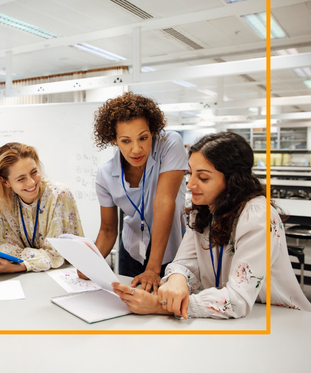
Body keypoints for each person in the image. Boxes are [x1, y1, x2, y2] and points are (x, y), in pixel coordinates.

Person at [112, 132, 311, 319]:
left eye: (203, 177)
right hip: (224, 319)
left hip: (277, 319)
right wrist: (178, 279)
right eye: (190, 174)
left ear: (233, 180)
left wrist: (160, 305)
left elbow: (237, 300)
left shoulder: (258, 217)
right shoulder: (203, 210)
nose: (190, 185)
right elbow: (184, 263)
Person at [91, 92, 188, 292]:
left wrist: (153, 268)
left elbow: (164, 202)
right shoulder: (105, 174)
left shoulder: (169, 144)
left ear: (153, 131)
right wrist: (91, 265)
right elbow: (108, 230)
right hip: (132, 251)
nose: (136, 149)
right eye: (126, 141)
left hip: (172, 250)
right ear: (114, 140)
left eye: (143, 138)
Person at [0, 142, 84, 274]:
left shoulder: (58, 194)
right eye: (21, 179)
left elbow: (55, 255)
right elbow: (9, 247)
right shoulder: (5, 201)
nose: (31, 182)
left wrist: (17, 265)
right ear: (5, 182)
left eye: (34, 172)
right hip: (29, 275)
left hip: (65, 274)